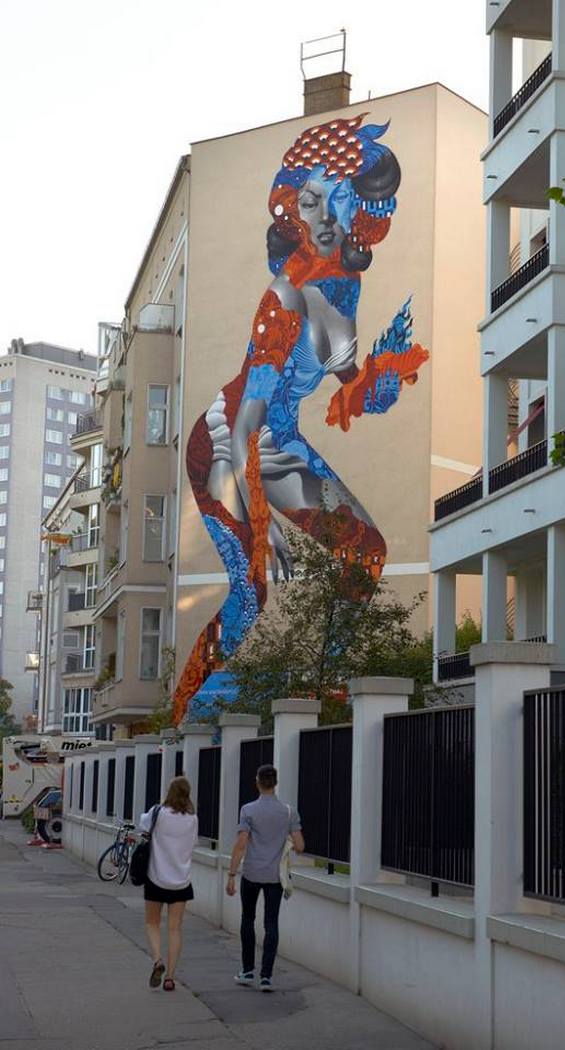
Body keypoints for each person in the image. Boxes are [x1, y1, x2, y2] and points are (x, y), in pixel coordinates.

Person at [171, 113, 429, 725]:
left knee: (365, 552)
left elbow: (348, 382)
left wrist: (381, 380)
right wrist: (262, 523)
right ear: (294, 210)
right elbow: (245, 426)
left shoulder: (343, 283)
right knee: (250, 592)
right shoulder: (282, 299)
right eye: (309, 201)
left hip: (278, 438)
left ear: (356, 202)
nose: (324, 214)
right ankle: (185, 715)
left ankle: (326, 689)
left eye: (334, 197)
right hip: (226, 443)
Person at [225, 764, 304, 991]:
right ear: (275, 783)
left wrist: (231, 874)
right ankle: (266, 977)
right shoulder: (288, 812)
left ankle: (247, 971)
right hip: (275, 877)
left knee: (247, 919)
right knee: (271, 923)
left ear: (257, 782)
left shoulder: (248, 810)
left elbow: (241, 844)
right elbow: (300, 846)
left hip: (251, 873)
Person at [139, 775, 198, 992]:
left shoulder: (158, 813)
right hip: (181, 882)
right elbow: (193, 844)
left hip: (156, 878)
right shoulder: (192, 819)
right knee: (175, 929)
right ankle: (170, 978)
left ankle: (157, 960)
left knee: (152, 923)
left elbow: (142, 824)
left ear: (169, 792)